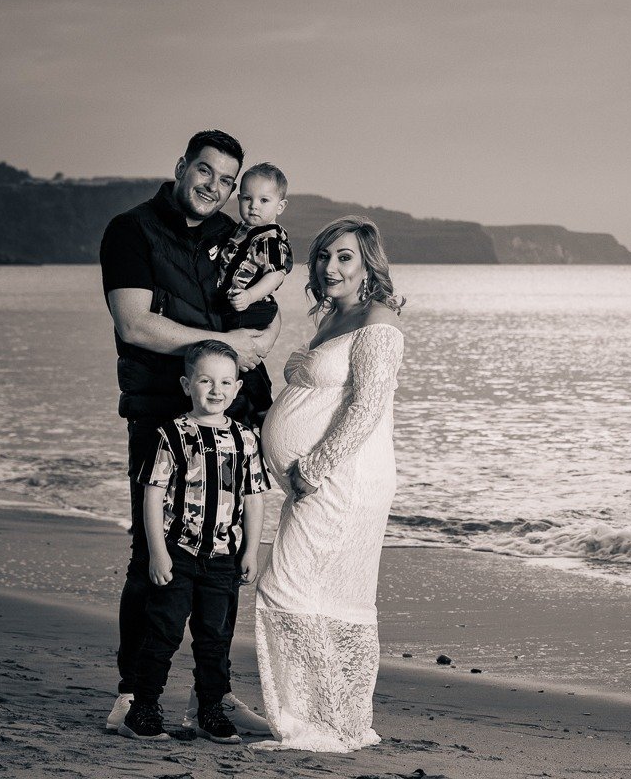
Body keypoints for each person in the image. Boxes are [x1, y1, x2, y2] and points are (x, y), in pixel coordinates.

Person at [99, 129, 275, 735]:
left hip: (234, 419)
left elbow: (263, 325)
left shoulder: (237, 239)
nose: (216, 187)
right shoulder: (132, 230)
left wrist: (251, 346)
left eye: (229, 181)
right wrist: (229, 343)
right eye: (206, 171)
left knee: (223, 560)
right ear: (181, 166)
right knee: (150, 554)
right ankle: (131, 698)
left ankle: (213, 699)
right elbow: (135, 324)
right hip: (159, 415)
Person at [253, 216, 405, 752]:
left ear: (368, 265)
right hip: (317, 481)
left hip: (343, 480)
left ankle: (315, 723)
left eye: (344, 257)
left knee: (287, 589)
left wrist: (315, 466)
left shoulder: (377, 319)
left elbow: (369, 405)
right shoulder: (335, 319)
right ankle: (333, 718)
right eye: (323, 256)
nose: (329, 266)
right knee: (323, 597)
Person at [118, 341, 267, 743]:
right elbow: (152, 495)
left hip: (223, 558)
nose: (215, 390)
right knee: (162, 632)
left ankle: (210, 710)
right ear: (188, 385)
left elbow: (254, 498)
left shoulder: (246, 441)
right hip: (178, 553)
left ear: (237, 388)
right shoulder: (172, 434)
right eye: (205, 380)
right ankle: (143, 708)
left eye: (224, 382)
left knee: (215, 639)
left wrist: (251, 550)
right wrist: (157, 553)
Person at [216, 161, 294, 428]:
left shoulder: (271, 238)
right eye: (247, 198)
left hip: (254, 305)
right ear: (238, 199)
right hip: (236, 302)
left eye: (263, 200)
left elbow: (276, 274)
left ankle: (261, 407)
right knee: (231, 353)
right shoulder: (240, 230)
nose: (254, 206)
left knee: (243, 357)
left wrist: (250, 295)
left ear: (279, 207)